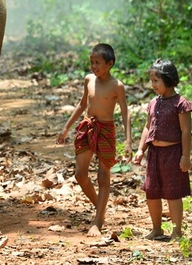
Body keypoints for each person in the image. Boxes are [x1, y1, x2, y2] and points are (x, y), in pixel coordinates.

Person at [56, 43, 132, 237]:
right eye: (91, 62)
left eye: (98, 62)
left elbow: (125, 113)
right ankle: (100, 208)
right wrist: (66, 128)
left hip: (106, 130)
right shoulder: (88, 79)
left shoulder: (117, 86)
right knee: (80, 175)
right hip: (87, 127)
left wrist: (129, 140)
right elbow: (82, 105)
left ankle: (97, 221)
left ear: (110, 63)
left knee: (103, 176)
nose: (93, 66)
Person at [132, 59, 192, 240]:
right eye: (151, 80)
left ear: (168, 79)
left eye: (156, 80)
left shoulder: (180, 103)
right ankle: (157, 228)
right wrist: (141, 149)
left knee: (173, 194)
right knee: (152, 191)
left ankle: (177, 231)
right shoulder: (153, 103)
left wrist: (185, 156)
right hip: (154, 154)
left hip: (172, 153)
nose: (153, 84)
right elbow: (147, 127)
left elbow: (186, 131)